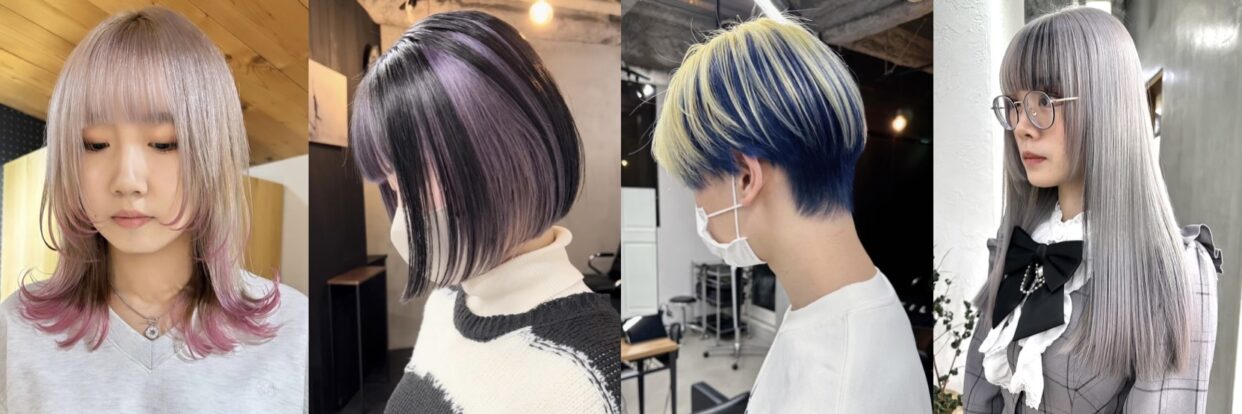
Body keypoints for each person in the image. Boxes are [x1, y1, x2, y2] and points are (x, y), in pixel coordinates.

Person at [0, 7, 308, 412]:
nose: (128, 180)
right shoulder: (16, 330)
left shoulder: (294, 329)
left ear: (213, 151)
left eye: (163, 143)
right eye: (95, 144)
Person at [651, 15, 931, 413]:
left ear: (745, 177)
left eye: (696, 184)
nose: (699, 207)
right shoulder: (864, 297)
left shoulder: (832, 394)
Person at [350, 10, 621, 413]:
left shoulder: (585, 376)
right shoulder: (446, 301)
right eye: (391, 184)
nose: (403, 212)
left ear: (510, 157)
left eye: (412, 177)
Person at [963, 7, 1220, 413]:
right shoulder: (1018, 245)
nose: (1022, 126)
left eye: (1044, 100)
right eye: (1014, 104)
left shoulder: (1171, 272)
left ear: (1108, 105)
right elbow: (980, 398)